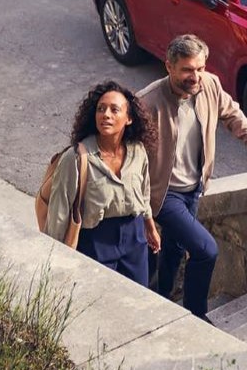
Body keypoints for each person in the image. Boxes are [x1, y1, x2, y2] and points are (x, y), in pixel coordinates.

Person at [139, 34, 247, 322]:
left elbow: (232, 114)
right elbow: (131, 161)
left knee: (174, 250)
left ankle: (158, 301)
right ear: (169, 66)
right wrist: (144, 215)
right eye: (187, 70)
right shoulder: (147, 103)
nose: (196, 76)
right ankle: (196, 314)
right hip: (164, 195)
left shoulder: (210, 85)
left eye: (200, 68)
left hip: (195, 187)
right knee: (205, 250)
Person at [44, 81, 161, 286]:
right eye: (101, 109)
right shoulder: (76, 158)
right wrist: (55, 258)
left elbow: (144, 193)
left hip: (134, 239)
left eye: (114, 110)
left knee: (138, 299)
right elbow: (59, 212)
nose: (106, 114)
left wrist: (150, 227)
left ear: (129, 118)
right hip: (95, 242)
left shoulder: (138, 151)